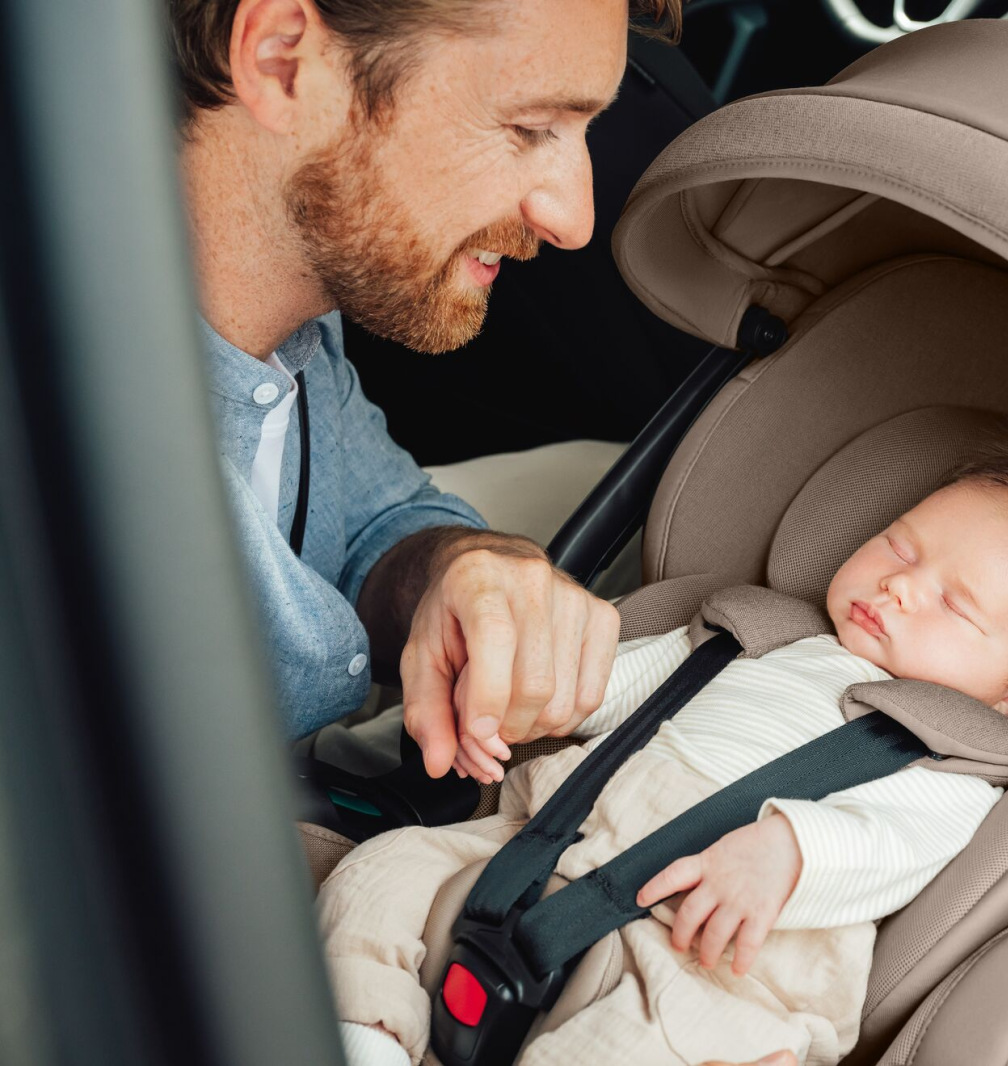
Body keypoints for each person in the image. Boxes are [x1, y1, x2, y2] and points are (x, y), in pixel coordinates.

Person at [318, 426, 1008, 1066]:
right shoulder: (753, 636)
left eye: (954, 604)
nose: (900, 584)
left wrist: (791, 850)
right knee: (381, 871)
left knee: (643, 1046)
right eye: (900, 546)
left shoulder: (953, 765)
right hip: (541, 849)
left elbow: (896, 846)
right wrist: (523, 705)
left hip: (706, 955)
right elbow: (617, 690)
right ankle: (367, 1034)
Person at [169, 0, 673, 768]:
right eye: (529, 127)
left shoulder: (298, 324)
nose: (573, 221)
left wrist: (457, 571)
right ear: (281, 60)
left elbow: (370, 522)